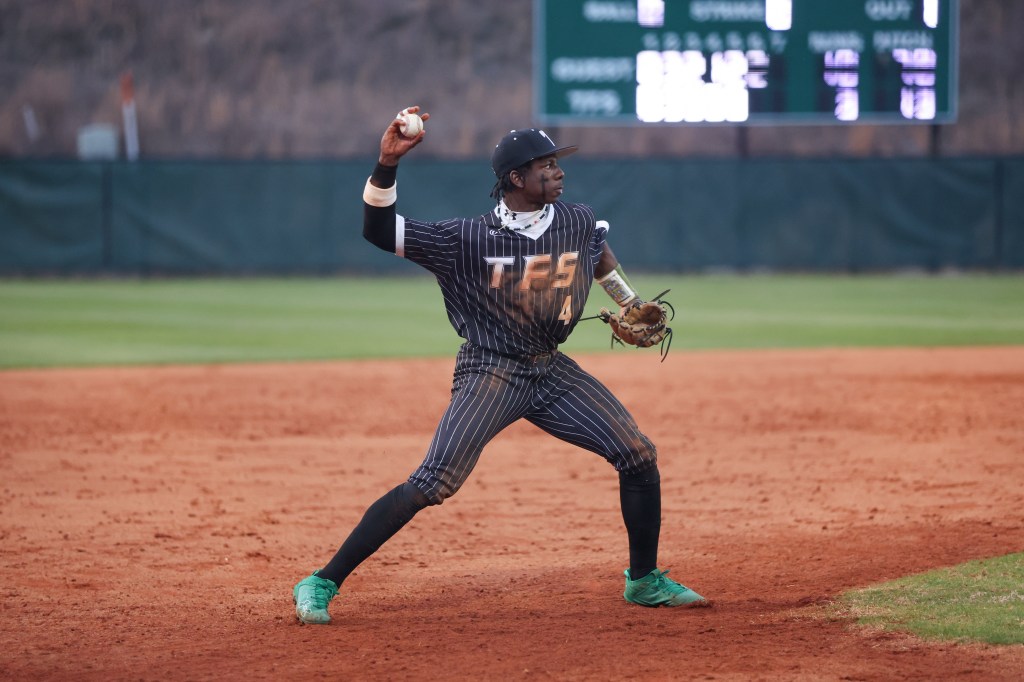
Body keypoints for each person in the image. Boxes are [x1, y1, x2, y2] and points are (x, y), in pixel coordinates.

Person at [292, 106, 708, 624]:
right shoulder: (463, 240)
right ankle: (321, 581)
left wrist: (628, 300)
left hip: (550, 370)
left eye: (558, 163)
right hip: (491, 370)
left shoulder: (576, 219)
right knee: (433, 482)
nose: (558, 171)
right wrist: (386, 164)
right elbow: (379, 230)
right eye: (546, 165)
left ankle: (644, 581)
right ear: (516, 178)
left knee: (638, 454)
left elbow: (598, 254)